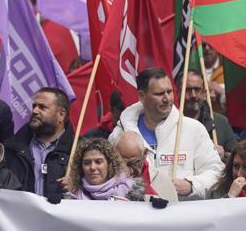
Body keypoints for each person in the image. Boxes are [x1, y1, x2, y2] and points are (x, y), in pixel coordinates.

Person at [109, 68, 222, 201]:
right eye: (159, 93)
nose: (167, 98)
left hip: (184, 217)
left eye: (169, 92)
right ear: (142, 96)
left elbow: (216, 171)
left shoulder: (193, 129)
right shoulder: (120, 135)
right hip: (137, 217)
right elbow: (107, 178)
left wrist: (192, 185)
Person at [5, 88, 75, 199]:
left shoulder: (77, 150)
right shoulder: (12, 149)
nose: (35, 111)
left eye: (42, 107)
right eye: (34, 106)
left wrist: (76, 187)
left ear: (61, 114)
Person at [66, 138, 144, 202]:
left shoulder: (131, 192)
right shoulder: (73, 196)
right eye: (87, 163)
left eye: (98, 162)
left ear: (110, 164)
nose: (92, 167)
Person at [182, 71, 236, 156]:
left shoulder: (221, 122)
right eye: (188, 89)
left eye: (197, 89)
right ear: (178, 91)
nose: (193, 95)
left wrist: (223, 155)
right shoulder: (170, 123)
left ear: (204, 93)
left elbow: (236, 158)